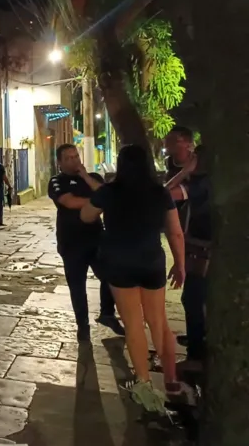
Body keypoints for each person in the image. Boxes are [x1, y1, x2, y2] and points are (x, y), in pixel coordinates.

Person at [81, 144, 186, 412]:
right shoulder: (159, 192)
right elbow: (175, 232)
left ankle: (144, 383)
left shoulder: (109, 191)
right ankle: (171, 379)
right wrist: (180, 265)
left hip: (119, 262)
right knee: (158, 320)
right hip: (151, 261)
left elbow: (86, 215)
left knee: (133, 323)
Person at [48, 144, 123, 341]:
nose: (75, 161)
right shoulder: (57, 181)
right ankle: (83, 326)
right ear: (60, 162)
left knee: (110, 276)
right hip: (71, 242)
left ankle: (107, 313)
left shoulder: (93, 178)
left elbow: (105, 194)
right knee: (77, 286)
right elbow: (69, 202)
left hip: (97, 238)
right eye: (69, 158)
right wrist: (97, 200)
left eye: (76, 156)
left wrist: (86, 177)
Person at [166, 144, 211, 368]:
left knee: (193, 298)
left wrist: (184, 172)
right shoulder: (206, 182)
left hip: (203, 251)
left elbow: (164, 194)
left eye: (194, 157)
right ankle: (198, 341)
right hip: (200, 247)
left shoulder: (202, 184)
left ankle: (196, 353)